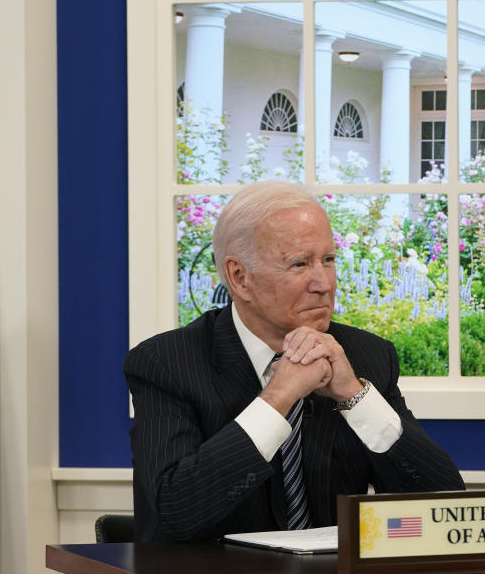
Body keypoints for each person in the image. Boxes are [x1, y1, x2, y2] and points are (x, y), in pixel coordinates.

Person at [123, 180, 464, 542]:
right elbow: (176, 511)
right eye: (299, 264)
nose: (323, 283)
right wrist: (277, 397)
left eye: (329, 260)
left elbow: (442, 509)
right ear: (240, 278)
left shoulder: (367, 356)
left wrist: (354, 396)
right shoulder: (166, 363)